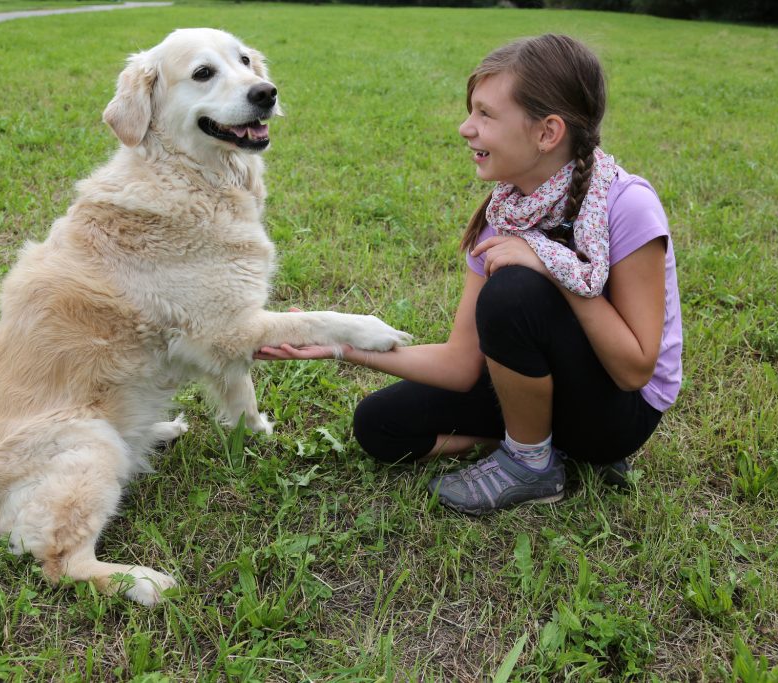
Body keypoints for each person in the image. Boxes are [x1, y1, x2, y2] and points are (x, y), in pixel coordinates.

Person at [255, 34, 682, 516]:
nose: (465, 128)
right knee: (381, 426)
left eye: (485, 114)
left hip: (614, 414)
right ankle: (542, 443)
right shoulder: (507, 213)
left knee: (512, 291)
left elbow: (635, 369)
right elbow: (461, 364)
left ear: (547, 133)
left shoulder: (627, 205)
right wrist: (340, 346)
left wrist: (551, 265)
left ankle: (530, 465)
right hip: (543, 390)